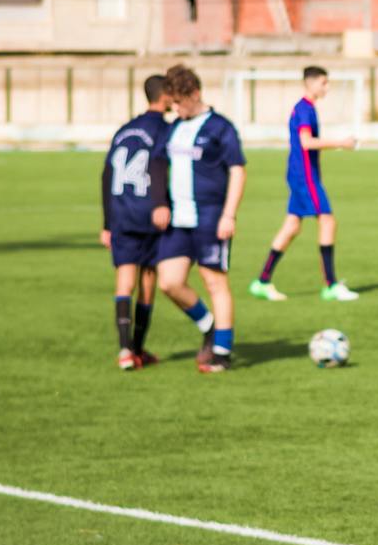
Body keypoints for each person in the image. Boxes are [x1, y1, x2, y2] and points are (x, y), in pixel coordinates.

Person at [154, 65, 246, 374]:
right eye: (172, 104)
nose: (176, 109)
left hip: (210, 216)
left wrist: (228, 214)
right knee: (168, 281)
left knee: (214, 281)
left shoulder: (221, 128)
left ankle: (222, 352)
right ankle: (209, 325)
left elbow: (237, 170)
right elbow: (158, 165)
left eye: (180, 102)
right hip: (178, 219)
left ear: (195, 94)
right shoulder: (175, 127)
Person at [249, 65, 361, 302]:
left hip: (302, 173)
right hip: (304, 175)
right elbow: (306, 142)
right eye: (324, 83)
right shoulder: (304, 109)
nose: (327, 87)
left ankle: (262, 281)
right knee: (328, 221)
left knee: (292, 226)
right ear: (310, 83)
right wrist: (341, 142)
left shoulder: (306, 108)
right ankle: (330, 285)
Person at [102, 75, 174, 370]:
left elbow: (106, 175)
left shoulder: (124, 130)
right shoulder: (165, 130)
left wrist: (107, 223)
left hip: (120, 213)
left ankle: (124, 351)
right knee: (147, 283)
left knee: (124, 281)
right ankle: (139, 349)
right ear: (166, 95)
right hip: (149, 213)